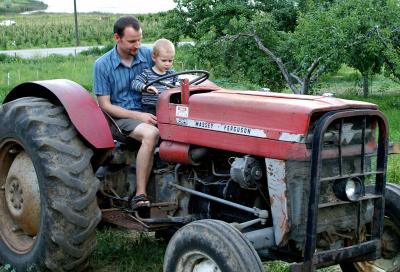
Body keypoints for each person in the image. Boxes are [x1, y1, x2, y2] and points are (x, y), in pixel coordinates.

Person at [93, 16, 159, 209]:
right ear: (117, 38)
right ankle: (140, 195)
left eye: (140, 39)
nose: (137, 45)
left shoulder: (148, 55)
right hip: (119, 119)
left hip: (149, 113)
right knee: (151, 133)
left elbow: (167, 73)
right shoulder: (103, 65)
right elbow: (105, 105)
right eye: (132, 41)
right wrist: (139, 116)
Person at [132, 38, 178, 115]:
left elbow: (178, 84)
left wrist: (174, 88)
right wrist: (145, 87)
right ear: (154, 58)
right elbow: (134, 83)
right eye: (164, 60)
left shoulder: (172, 74)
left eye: (170, 61)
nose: (167, 64)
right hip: (150, 107)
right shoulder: (147, 73)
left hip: (167, 105)